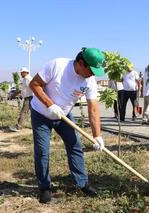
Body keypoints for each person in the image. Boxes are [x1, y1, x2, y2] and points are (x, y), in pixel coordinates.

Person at [29, 47, 105, 203]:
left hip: (64, 116)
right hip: (41, 113)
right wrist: (50, 104)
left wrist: (97, 136)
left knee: (75, 145)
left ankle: (82, 183)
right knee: (42, 151)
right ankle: (44, 187)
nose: (92, 74)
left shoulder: (89, 80)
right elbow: (34, 84)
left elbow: (93, 109)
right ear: (81, 63)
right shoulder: (57, 65)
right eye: (91, 70)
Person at [9, 67, 33, 132]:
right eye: (21, 73)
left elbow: (34, 87)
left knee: (23, 112)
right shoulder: (25, 79)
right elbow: (21, 89)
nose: (21, 74)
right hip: (29, 98)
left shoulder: (28, 79)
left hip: (30, 98)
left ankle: (18, 127)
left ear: (26, 72)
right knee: (33, 113)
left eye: (22, 73)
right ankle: (35, 126)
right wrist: (13, 95)